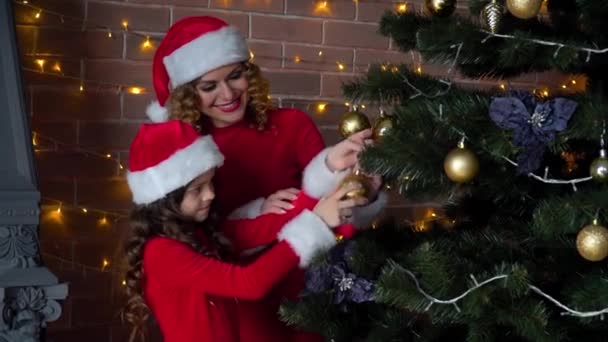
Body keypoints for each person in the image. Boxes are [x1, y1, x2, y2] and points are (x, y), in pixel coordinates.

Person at [145, 16, 388, 341]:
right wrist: (269, 213)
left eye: (235, 76)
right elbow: (207, 240)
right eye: (209, 86)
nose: (228, 92)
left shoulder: (293, 125)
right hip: (243, 305)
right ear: (188, 94)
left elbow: (337, 221)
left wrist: (358, 189)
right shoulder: (186, 154)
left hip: (306, 294)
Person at [122, 119, 367, 342]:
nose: (211, 194)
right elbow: (249, 283)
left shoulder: (202, 233)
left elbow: (274, 225)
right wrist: (316, 223)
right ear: (165, 200)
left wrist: (330, 167)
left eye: (210, 182)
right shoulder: (161, 252)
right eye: (197, 189)